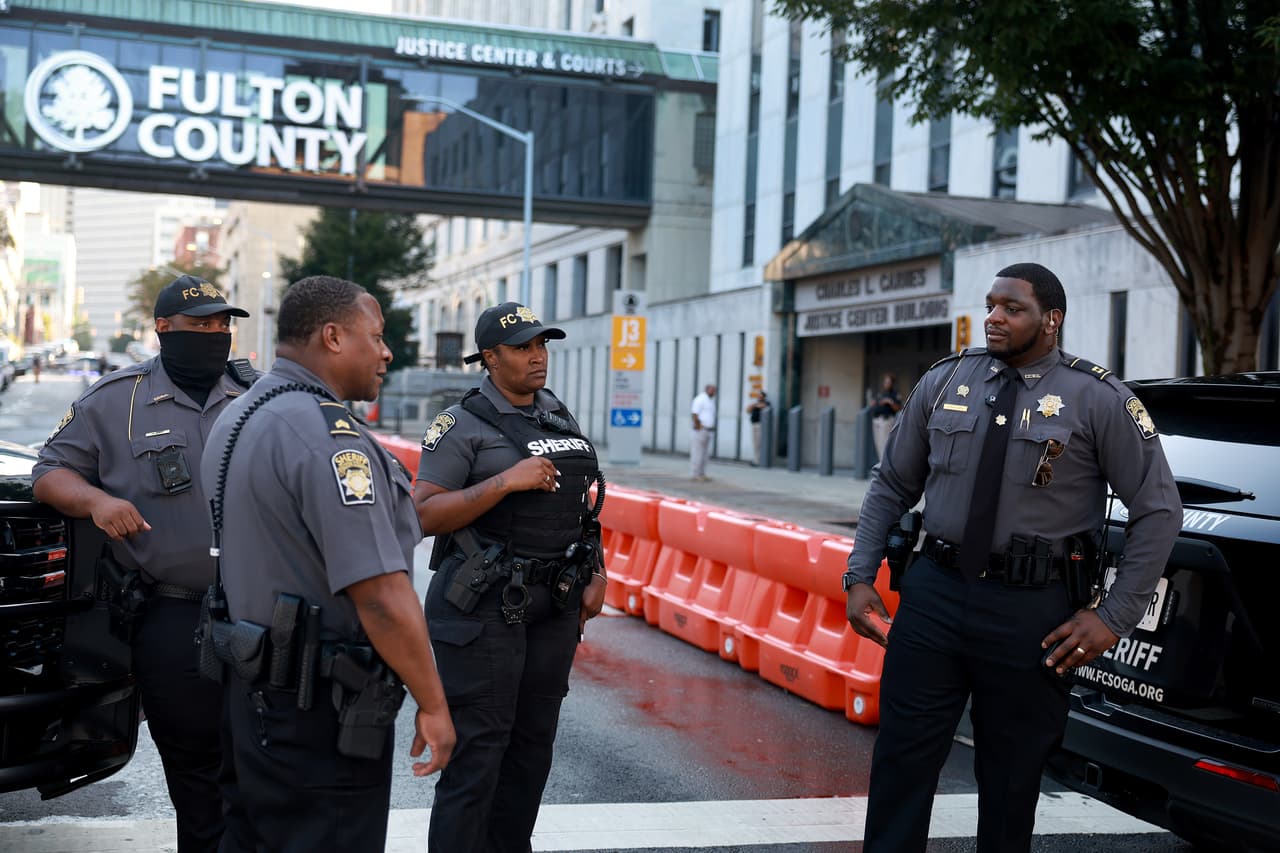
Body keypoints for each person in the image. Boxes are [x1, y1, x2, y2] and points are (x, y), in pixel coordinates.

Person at [841, 263, 1182, 853]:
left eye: (1012, 308)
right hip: (934, 598)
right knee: (900, 761)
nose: (994, 317)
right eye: (992, 305)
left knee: (1010, 778)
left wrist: (1113, 616)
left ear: (1052, 320)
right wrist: (859, 572)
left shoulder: (1096, 397)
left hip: (1033, 613)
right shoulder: (947, 381)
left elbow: (1158, 510)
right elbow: (892, 483)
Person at [200, 276, 454, 852]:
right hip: (319, 715)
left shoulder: (239, 416)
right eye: (378, 335)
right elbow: (382, 596)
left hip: (253, 695)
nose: (387, 351)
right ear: (334, 337)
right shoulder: (329, 438)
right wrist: (434, 705)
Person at [33, 275, 254, 853]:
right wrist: (98, 501)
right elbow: (49, 473)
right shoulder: (116, 400)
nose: (215, 335)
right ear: (163, 328)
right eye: (200, 325)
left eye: (221, 325)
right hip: (174, 615)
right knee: (196, 767)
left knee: (262, 759)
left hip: (262, 609)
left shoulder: (260, 395)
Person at [415, 301, 607, 853]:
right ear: (490, 358)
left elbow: (580, 501)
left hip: (553, 604)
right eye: (523, 347)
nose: (537, 357)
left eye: (542, 345)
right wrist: (505, 482)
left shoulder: (554, 411)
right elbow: (422, 513)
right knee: (478, 753)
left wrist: (598, 569)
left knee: (531, 749)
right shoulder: (461, 423)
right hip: (482, 607)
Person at [868, 372, 902, 460]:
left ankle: (884, 466)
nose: (886, 384)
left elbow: (898, 408)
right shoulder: (881, 394)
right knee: (878, 444)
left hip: (886, 421)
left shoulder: (894, 394)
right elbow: (874, 404)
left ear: (892, 383)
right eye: (885, 382)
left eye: (888, 382)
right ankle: (880, 464)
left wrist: (889, 401)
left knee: (884, 444)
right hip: (877, 420)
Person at [689, 383, 717, 481]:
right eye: (712, 390)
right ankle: (695, 474)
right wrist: (698, 426)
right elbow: (695, 413)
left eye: (715, 390)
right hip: (701, 429)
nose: (714, 392)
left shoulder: (710, 401)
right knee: (697, 452)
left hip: (708, 429)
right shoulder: (700, 399)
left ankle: (702, 473)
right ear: (707, 389)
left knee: (705, 454)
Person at [746, 390, 769, 465]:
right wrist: (753, 405)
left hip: (760, 425)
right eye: (758, 395)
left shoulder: (766, 403)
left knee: (759, 444)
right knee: (755, 444)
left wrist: (754, 405)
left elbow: (763, 406)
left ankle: (758, 461)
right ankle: (756, 460)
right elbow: (748, 410)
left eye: (760, 395)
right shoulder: (756, 404)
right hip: (754, 425)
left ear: (763, 396)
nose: (758, 397)